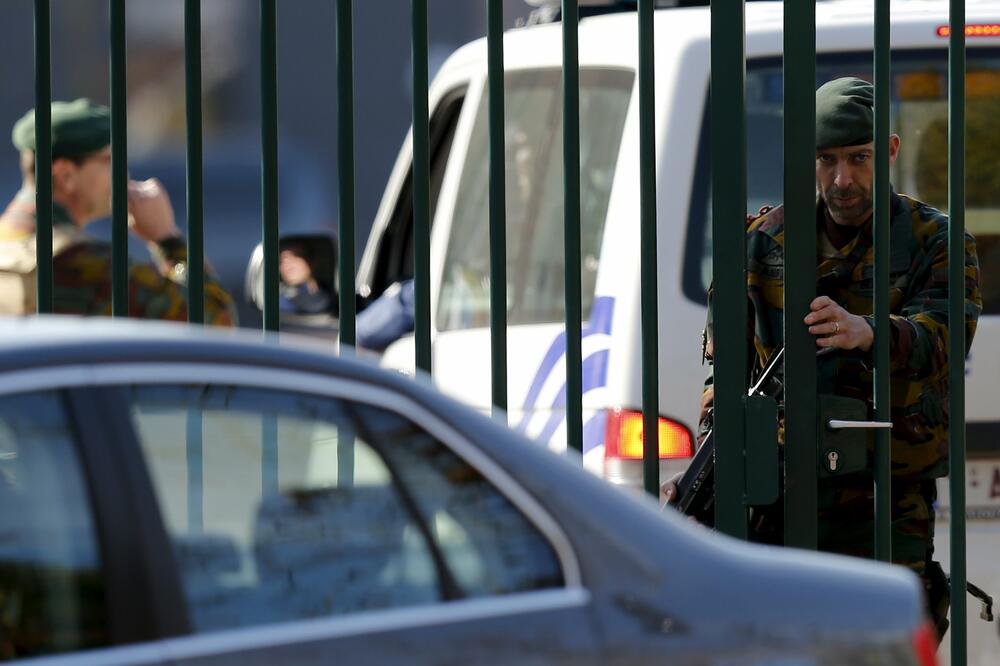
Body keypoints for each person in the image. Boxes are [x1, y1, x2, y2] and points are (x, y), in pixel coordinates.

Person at [664, 77, 981, 640]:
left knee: (891, 641)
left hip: (888, 491)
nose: (842, 179)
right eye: (826, 160)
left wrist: (868, 332)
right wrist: (705, 480)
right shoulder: (763, 241)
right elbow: (730, 377)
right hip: (783, 493)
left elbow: (946, 339)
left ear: (889, 150)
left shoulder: (935, 239)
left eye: (859, 159)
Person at [0, 98, 235, 324]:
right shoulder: (83, 263)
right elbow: (214, 320)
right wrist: (167, 240)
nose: (123, 174)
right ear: (65, 175)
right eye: (110, 159)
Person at [278, 239, 331, 315]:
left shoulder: (332, 295)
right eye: (282, 261)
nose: (288, 266)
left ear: (311, 261)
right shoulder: (280, 302)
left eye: (296, 256)